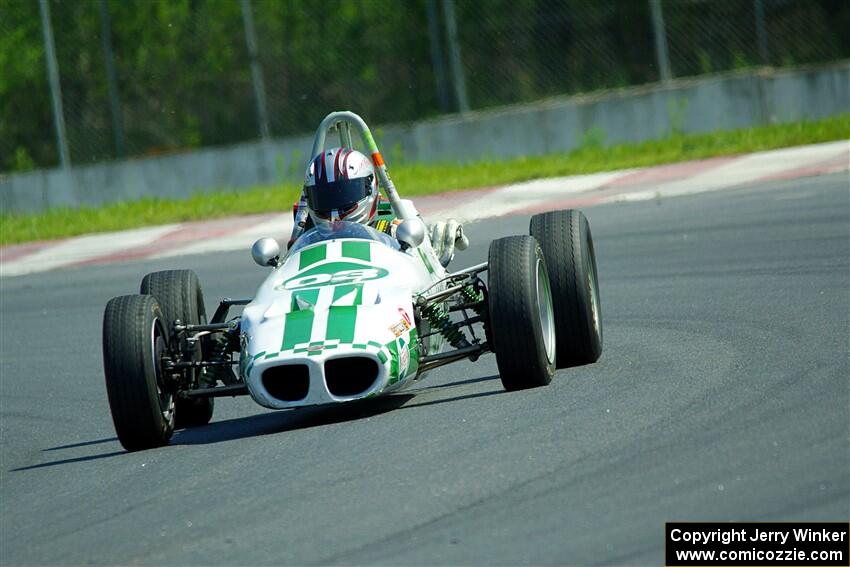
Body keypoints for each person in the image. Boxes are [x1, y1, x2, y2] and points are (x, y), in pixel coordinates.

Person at [288, 147, 468, 266]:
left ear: (370, 188)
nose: (334, 210)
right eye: (325, 198)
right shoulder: (306, 238)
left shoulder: (395, 228)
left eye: (344, 194)